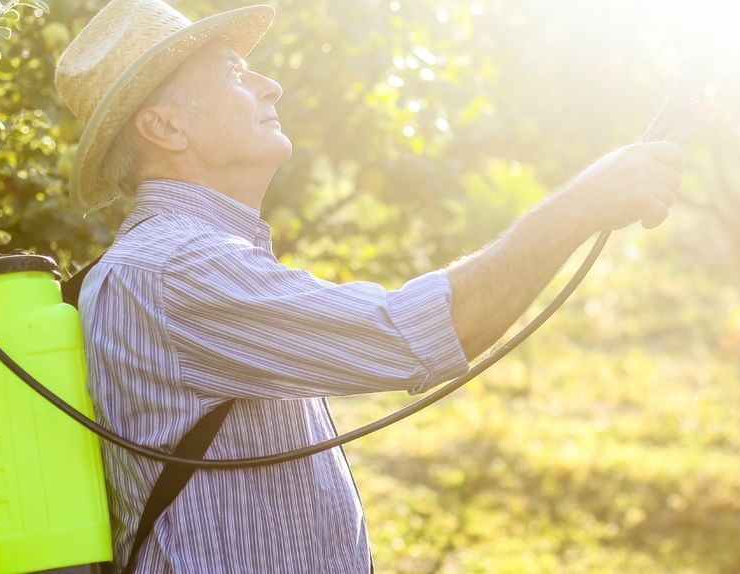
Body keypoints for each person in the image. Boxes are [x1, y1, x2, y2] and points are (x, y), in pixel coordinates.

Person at [54, 0, 683, 571]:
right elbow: (418, 333)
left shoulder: (191, 262)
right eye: (231, 72)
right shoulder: (177, 270)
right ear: (165, 129)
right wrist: (581, 205)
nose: (269, 83)